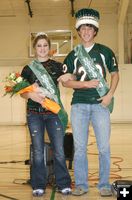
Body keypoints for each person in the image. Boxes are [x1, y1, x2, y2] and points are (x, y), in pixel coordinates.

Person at [58, 8, 119, 196]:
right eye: (82, 28)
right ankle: (82, 185)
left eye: (89, 28)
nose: (86, 32)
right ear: (78, 31)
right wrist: (84, 84)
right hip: (79, 106)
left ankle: (104, 185)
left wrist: (109, 95)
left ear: (95, 31)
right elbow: (66, 82)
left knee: (103, 147)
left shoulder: (105, 51)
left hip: (101, 105)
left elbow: (115, 75)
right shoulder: (72, 54)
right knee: (80, 148)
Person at [20, 32, 72, 197]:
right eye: (39, 46)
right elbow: (21, 92)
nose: (42, 49)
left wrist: (70, 75)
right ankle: (38, 184)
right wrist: (31, 95)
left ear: (50, 48)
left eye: (45, 46)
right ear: (34, 48)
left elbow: (71, 76)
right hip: (34, 114)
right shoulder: (28, 69)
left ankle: (63, 183)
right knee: (37, 150)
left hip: (53, 113)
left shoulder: (57, 66)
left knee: (59, 150)